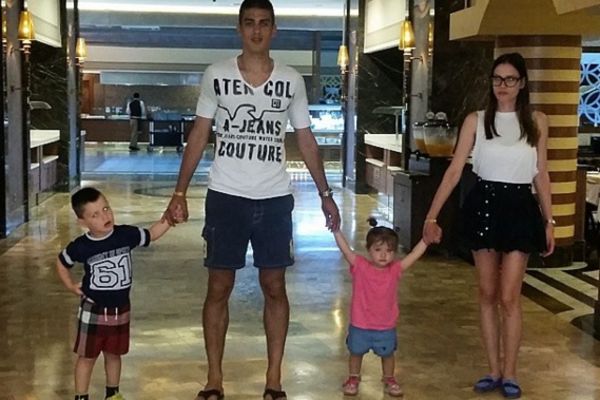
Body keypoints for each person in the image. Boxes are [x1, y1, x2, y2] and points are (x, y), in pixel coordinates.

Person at [162, 1, 340, 399]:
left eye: (264, 24)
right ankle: (214, 379)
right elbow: (199, 134)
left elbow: (305, 139)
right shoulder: (217, 75)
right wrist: (179, 192)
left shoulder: (290, 80)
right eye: (249, 23)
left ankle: (274, 378)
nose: (256, 30)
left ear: (274, 30)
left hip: (274, 199)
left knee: (274, 285)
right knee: (218, 286)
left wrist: (325, 194)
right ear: (239, 29)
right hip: (226, 196)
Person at [422, 52, 555, 399]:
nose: (502, 86)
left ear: (522, 83)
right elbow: (454, 171)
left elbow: (541, 173)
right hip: (484, 203)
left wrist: (549, 220)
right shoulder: (477, 120)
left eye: (510, 79)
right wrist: (432, 215)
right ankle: (493, 369)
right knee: (486, 292)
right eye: (497, 79)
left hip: (520, 207)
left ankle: (510, 372)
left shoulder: (537, 121)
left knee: (510, 296)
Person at [56, 187, 170, 400]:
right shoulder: (81, 247)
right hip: (93, 309)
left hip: (120, 309)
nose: (104, 216)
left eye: (106, 208)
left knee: (114, 354)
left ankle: (113, 394)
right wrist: (70, 285)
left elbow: (152, 234)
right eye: (95, 215)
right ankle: (81, 396)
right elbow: (62, 262)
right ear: (82, 222)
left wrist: (169, 218)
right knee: (87, 357)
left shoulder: (125, 235)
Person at [333, 218, 427, 397]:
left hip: (386, 325)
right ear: (368, 250)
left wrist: (425, 241)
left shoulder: (395, 269)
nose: (383, 255)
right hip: (360, 324)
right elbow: (345, 249)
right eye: (378, 250)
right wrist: (336, 231)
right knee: (355, 353)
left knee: (388, 354)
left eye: (389, 251)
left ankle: (389, 378)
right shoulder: (360, 265)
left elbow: (414, 255)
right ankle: (353, 378)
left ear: (395, 253)